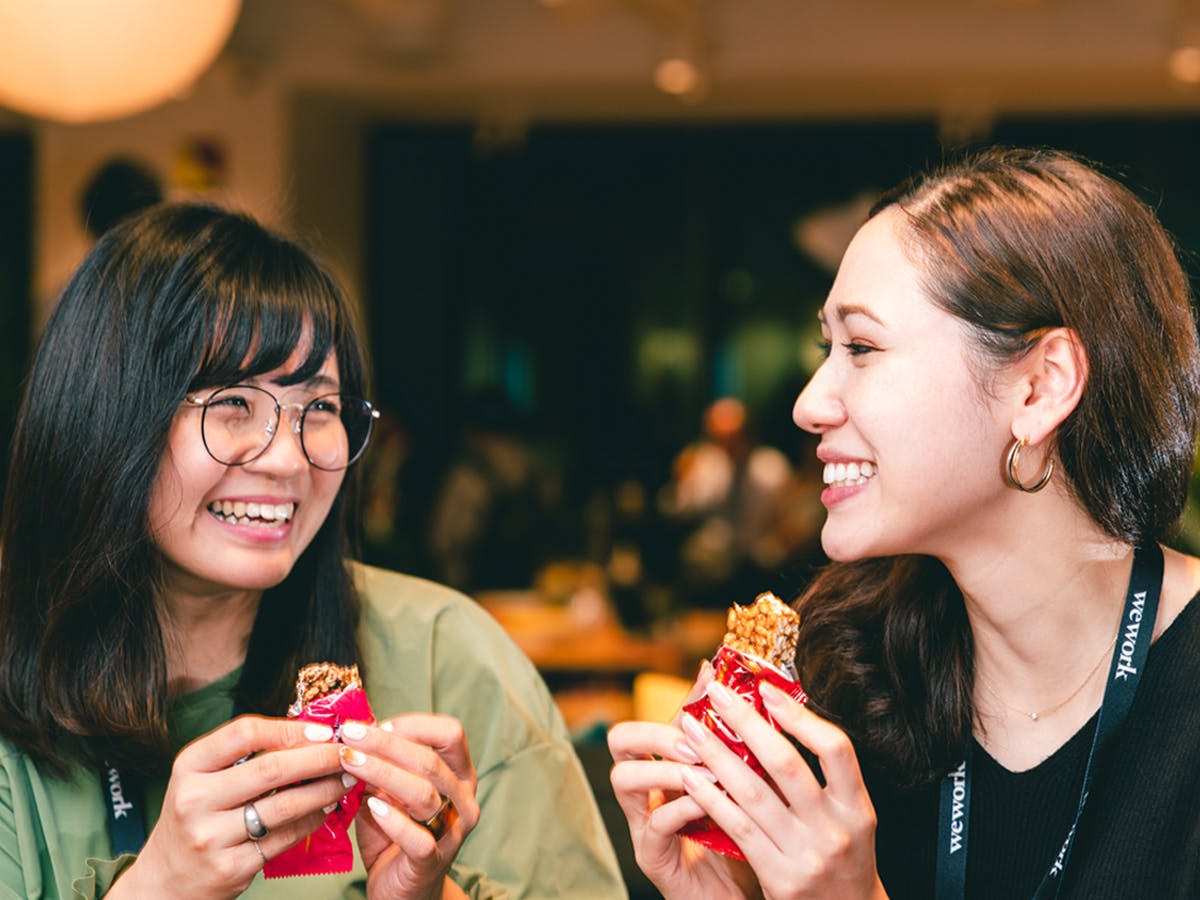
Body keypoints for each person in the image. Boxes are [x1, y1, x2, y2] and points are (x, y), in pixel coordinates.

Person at [608, 147, 1200, 898]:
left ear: (1041, 387)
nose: (808, 404)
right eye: (827, 347)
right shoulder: (845, 671)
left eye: (862, 347)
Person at [0, 203, 625, 899]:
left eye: (320, 408)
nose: (287, 458)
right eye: (233, 402)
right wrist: (161, 887)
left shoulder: (446, 658)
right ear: (104, 414)